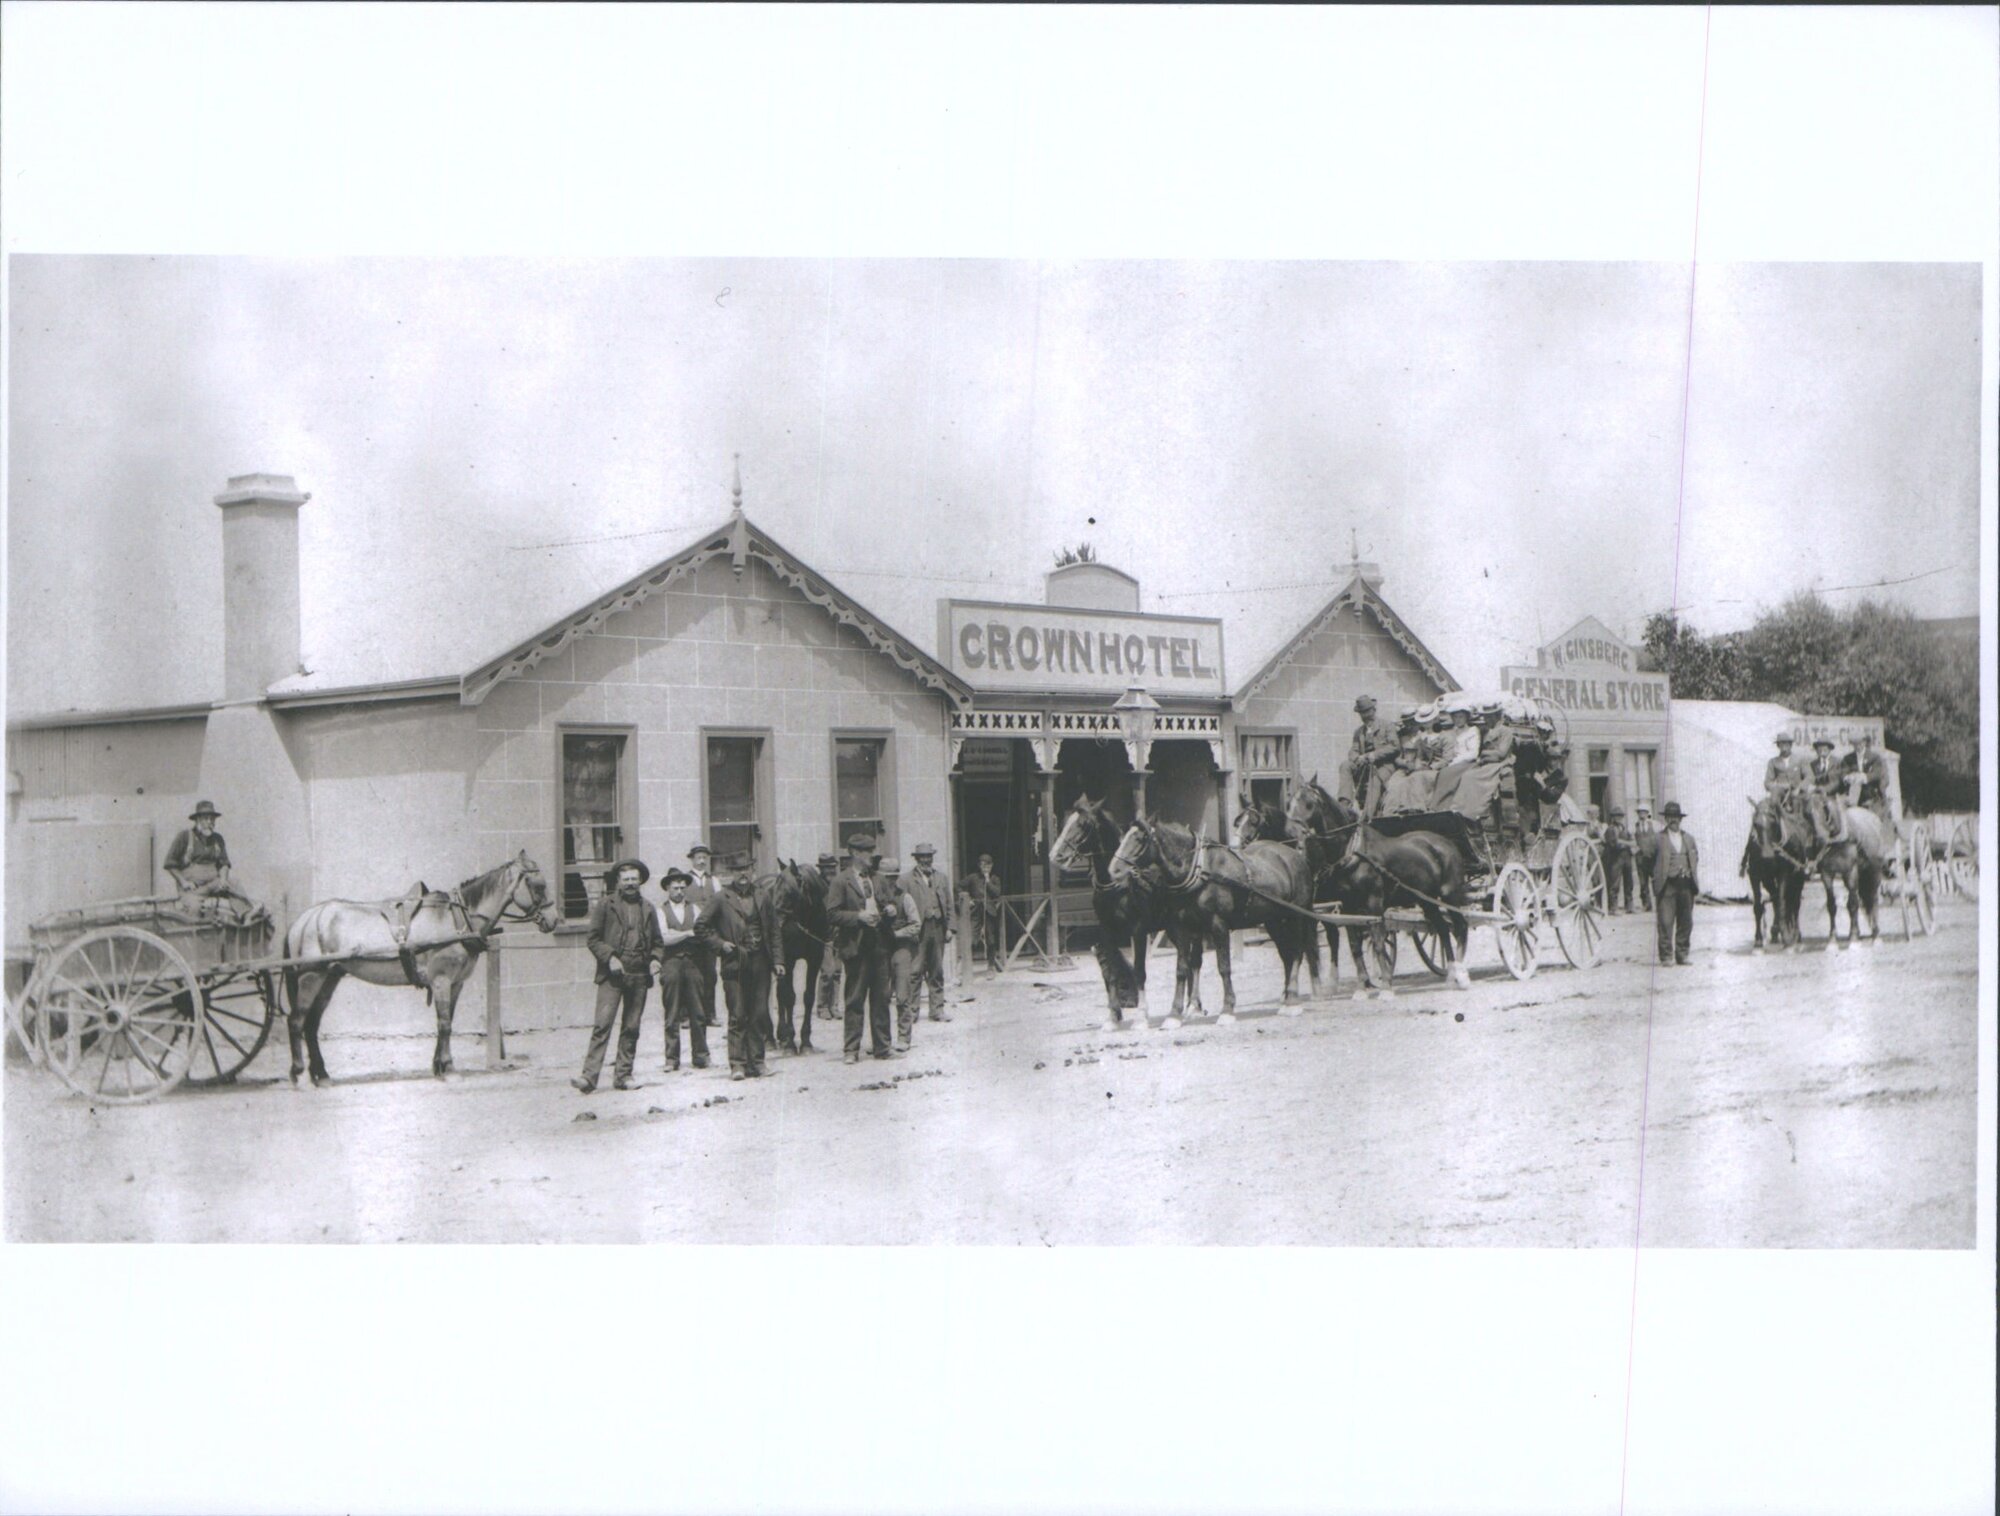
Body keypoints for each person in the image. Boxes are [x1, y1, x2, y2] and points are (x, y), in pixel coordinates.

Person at [572, 859, 665, 1094]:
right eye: (626, 880)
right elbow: (593, 939)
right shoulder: (606, 905)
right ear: (618, 882)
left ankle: (624, 1075)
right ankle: (589, 1077)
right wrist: (610, 957)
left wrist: (655, 959)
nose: (631, 883)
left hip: (639, 975)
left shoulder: (648, 908)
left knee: (631, 1027)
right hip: (612, 977)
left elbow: (657, 942)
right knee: (602, 1025)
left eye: (634, 879)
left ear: (640, 881)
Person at [699, 853, 773, 1081]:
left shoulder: (762, 895)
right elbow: (701, 926)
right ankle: (738, 1064)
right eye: (738, 870)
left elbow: (774, 930)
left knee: (759, 1013)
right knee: (738, 1013)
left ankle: (758, 1062)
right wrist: (720, 944)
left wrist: (779, 961)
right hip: (735, 962)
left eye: (746, 869)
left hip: (760, 962)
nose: (743, 874)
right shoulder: (721, 898)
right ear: (731, 873)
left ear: (752, 871)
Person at [826, 832, 899, 1063]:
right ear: (854, 853)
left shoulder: (878, 879)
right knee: (854, 999)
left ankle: (883, 1047)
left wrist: (891, 909)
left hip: (880, 945)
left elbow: (890, 901)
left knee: (882, 998)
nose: (871, 855)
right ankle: (851, 1050)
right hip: (856, 948)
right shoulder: (841, 881)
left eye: (872, 851)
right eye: (867, 851)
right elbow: (832, 914)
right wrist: (858, 917)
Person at [654, 868, 712, 1072]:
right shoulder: (660, 912)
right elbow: (663, 939)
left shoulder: (695, 909)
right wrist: (687, 933)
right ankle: (672, 1059)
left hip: (693, 963)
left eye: (682, 887)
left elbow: (701, 933)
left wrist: (676, 934)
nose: (679, 891)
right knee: (672, 1012)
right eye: (675, 888)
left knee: (698, 1011)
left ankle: (701, 1056)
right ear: (667, 889)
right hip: (671, 964)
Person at [163, 801, 255, 916]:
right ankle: (194, 927)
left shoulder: (217, 839)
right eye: (205, 819)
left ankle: (247, 917)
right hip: (193, 889)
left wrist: (223, 879)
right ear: (197, 820)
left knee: (235, 884)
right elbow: (170, 864)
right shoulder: (184, 837)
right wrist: (184, 882)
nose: (209, 822)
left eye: (212, 819)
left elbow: (224, 864)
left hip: (214, 884)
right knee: (194, 908)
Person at [1642, 801, 1700, 967]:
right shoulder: (1658, 839)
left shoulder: (1689, 839)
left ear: (1680, 819)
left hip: (1686, 885)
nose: (1673, 820)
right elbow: (1646, 860)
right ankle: (1666, 956)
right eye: (1670, 817)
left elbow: (1695, 858)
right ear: (1666, 819)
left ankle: (1682, 955)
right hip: (1667, 886)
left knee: (1686, 922)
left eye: (1676, 817)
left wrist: (1690, 874)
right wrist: (1656, 876)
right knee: (1665, 922)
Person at [876, 857, 923, 1052]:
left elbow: (916, 925)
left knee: (903, 995)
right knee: (881, 997)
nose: (889, 881)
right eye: (885, 877)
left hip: (901, 949)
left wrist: (897, 934)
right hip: (880, 950)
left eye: (892, 877)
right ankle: (882, 1040)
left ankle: (904, 1037)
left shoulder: (905, 898)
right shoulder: (874, 899)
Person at [905, 842, 955, 1022]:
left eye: (929, 857)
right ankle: (912, 1012)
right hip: (919, 931)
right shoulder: (907, 880)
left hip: (938, 928)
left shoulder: (941, 878)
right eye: (923, 857)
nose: (926, 860)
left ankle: (937, 1010)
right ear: (917, 859)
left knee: (937, 970)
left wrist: (950, 928)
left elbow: (949, 904)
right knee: (915, 971)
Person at [683, 843, 722, 1026]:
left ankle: (710, 1014)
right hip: (691, 934)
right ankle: (687, 1016)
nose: (701, 861)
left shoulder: (714, 881)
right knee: (690, 974)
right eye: (698, 857)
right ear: (692, 859)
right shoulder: (685, 881)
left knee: (710, 975)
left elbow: (721, 905)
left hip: (709, 933)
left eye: (704, 858)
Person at [1347, 696, 1400, 818]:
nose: (1365, 716)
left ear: (1373, 710)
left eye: (1367, 712)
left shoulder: (1387, 726)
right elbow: (1353, 751)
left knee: (1375, 777)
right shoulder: (1359, 732)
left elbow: (1394, 746)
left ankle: (1367, 816)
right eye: (1362, 713)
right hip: (1364, 766)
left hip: (1384, 766)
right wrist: (1358, 758)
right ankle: (1344, 803)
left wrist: (1375, 755)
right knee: (1345, 766)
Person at [812, 852, 845, 1023]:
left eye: (832, 867)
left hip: (839, 934)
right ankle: (822, 1006)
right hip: (823, 935)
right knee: (827, 972)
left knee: (837, 971)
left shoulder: (838, 884)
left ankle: (834, 1006)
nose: (830, 871)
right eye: (826, 868)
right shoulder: (816, 888)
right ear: (821, 869)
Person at [963, 852, 1006, 974]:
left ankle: (991, 967)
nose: (985, 868)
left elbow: (997, 893)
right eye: (983, 865)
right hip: (976, 912)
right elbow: (958, 887)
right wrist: (967, 899)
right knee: (972, 939)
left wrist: (988, 882)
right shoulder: (972, 878)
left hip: (989, 912)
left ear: (991, 866)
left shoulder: (995, 879)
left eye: (988, 865)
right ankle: (968, 967)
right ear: (979, 866)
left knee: (991, 940)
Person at [1805, 738, 1847, 846]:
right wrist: (1809, 787)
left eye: (1824, 748)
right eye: (1819, 748)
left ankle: (1835, 831)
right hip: (1817, 795)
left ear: (1829, 749)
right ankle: (1813, 834)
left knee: (1831, 806)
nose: (1821, 750)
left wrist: (1824, 789)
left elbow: (1837, 781)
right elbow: (1810, 778)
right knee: (1809, 807)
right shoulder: (1813, 764)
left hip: (1834, 795)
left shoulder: (1838, 762)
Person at [1603, 806, 1637, 914]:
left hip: (1627, 857)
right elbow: (1614, 844)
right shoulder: (1610, 829)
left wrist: (1625, 843)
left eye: (1620, 816)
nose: (1619, 818)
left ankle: (1629, 906)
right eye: (1616, 816)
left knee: (1629, 882)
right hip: (1615, 858)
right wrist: (1627, 843)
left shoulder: (1624, 828)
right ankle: (1613, 907)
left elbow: (1633, 841)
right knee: (1615, 883)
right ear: (1612, 818)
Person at [1632, 805, 1657, 910]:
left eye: (1644, 812)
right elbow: (1632, 840)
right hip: (1641, 858)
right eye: (1640, 812)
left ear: (1647, 813)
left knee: (1656, 880)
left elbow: (1659, 839)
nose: (1642, 814)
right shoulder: (1634, 826)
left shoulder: (1654, 824)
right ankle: (1646, 904)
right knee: (1643, 882)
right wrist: (1634, 850)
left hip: (1652, 858)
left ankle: (1659, 902)